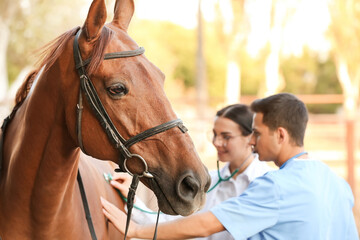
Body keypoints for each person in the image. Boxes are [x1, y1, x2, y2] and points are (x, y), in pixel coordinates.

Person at [101, 93, 359, 240]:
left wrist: (136, 230)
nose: (252, 140)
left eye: (257, 133)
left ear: (280, 135)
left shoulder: (274, 186)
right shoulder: (338, 184)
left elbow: (205, 226)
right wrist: (136, 207)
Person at [105, 104, 272, 240]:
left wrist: (136, 231)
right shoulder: (211, 180)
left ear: (250, 137)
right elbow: (173, 226)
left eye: (226, 136)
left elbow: (201, 227)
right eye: (214, 135)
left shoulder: (265, 183)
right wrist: (131, 197)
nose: (216, 142)